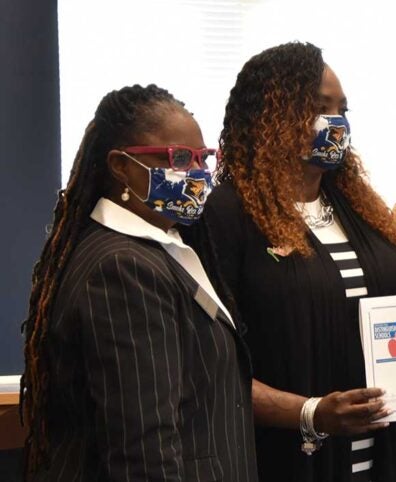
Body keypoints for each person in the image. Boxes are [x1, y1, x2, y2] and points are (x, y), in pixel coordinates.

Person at [185, 42, 396, 481]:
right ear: (269, 118)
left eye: (342, 110)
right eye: (317, 106)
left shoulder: (362, 212)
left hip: (386, 460)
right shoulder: (226, 215)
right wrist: (310, 412)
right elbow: (208, 366)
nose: (335, 122)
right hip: (290, 461)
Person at [20, 84, 256, 481]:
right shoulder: (123, 268)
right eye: (179, 158)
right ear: (120, 166)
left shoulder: (161, 249)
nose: (197, 174)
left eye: (203, 158)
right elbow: (143, 450)